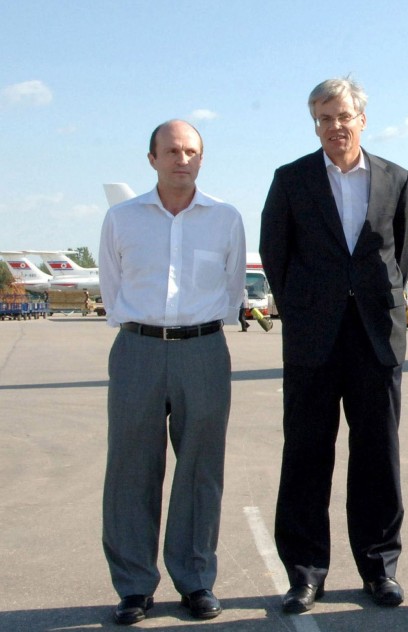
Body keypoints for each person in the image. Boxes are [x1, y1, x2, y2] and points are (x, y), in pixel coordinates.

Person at [260, 77, 408, 614]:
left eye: (343, 116)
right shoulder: (291, 179)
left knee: (378, 458)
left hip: (376, 337)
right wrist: (305, 309)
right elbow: (275, 253)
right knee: (306, 455)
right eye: (324, 118)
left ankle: (379, 568)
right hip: (313, 340)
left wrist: (375, 301)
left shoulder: (396, 178)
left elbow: (401, 253)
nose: (335, 126)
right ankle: (305, 573)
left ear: (362, 120)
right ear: (315, 125)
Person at [99, 119, 245, 625]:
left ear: (201, 159)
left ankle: (196, 579)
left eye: (191, 151)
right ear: (152, 159)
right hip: (137, 348)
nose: (182, 159)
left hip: (203, 350)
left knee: (201, 469)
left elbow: (232, 288)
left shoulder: (225, 218)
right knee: (130, 469)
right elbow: (112, 284)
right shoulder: (122, 219)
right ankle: (134, 586)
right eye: (172, 151)